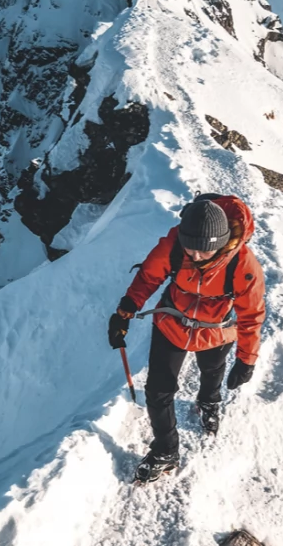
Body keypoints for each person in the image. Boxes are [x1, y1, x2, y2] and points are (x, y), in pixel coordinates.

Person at [109, 194, 267, 483]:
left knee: (212, 370)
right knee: (158, 389)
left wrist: (247, 360)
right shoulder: (174, 246)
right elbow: (148, 277)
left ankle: (209, 400)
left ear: (220, 244)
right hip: (172, 322)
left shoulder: (243, 266)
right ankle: (166, 450)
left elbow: (251, 316)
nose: (194, 256)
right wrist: (125, 311)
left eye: (202, 252)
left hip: (216, 329)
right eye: (190, 249)